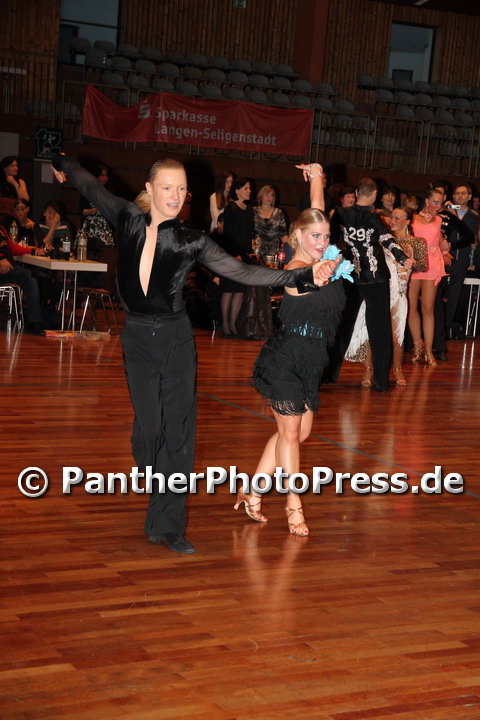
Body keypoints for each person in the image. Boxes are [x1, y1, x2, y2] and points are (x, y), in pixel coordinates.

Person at [51, 154, 332, 554]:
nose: (175, 195)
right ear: (150, 189)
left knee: (179, 433)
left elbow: (242, 272)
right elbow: (91, 186)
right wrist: (63, 162)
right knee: (150, 432)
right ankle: (153, 475)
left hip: (176, 340)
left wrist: (299, 274)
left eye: (181, 189)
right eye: (167, 187)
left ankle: (168, 526)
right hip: (138, 339)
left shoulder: (191, 240)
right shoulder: (127, 218)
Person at [236, 163, 351, 536]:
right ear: (296, 236)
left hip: (312, 362)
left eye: (326, 236)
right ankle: (293, 505)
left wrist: (317, 176)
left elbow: (316, 211)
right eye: (314, 236)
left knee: (297, 435)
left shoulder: (322, 252)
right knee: (288, 435)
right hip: (283, 360)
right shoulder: (297, 269)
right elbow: (301, 280)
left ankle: (252, 490)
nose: (321, 242)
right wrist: (318, 274)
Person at [327, 178, 414, 391]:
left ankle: (327, 374)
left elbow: (331, 242)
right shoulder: (372, 218)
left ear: (357, 193)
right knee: (380, 329)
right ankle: (381, 382)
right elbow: (387, 240)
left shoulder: (340, 214)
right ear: (374, 195)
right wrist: (403, 258)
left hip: (350, 274)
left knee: (341, 324)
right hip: (375, 277)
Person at [346, 206, 415, 386]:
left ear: (407, 222)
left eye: (398, 218)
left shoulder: (415, 242)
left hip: (399, 295)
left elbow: (422, 266)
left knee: (396, 336)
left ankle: (397, 369)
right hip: (379, 291)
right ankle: (368, 370)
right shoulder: (379, 240)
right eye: (392, 217)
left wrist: (412, 258)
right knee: (374, 333)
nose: (393, 221)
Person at [408, 190, 448, 366]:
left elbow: (440, 241)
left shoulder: (438, 220)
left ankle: (429, 351)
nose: (437, 206)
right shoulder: (413, 218)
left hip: (432, 265)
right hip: (414, 264)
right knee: (411, 306)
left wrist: (445, 247)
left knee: (428, 308)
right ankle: (418, 347)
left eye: (440, 203)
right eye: (435, 202)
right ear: (426, 201)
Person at [219, 178, 253, 337]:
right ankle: (225, 324)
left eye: (249, 188)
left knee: (240, 290)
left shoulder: (249, 209)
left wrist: (248, 253)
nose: (249, 191)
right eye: (246, 188)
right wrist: (235, 254)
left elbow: (248, 234)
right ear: (237, 190)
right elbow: (228, 234)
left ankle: (233, 323)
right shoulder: (230, 208)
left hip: (244, 255)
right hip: (232, 254)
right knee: (229, 289)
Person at [0, 225, 44, 334]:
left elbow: (12, 248)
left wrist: (33, 251)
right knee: (28, 275)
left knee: (32, 281)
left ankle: (35, 323)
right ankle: (35, 323)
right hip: (3, 270)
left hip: (10, 269)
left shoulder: (1, 228)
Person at [253, 185, 288, 262]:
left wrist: (288, 249)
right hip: (255, 253)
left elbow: (283, 234)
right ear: (261, 196)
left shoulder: (278, 213)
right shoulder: (253, 211)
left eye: (272, 195)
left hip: (273, 253)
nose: (269, 198)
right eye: (266, 195)